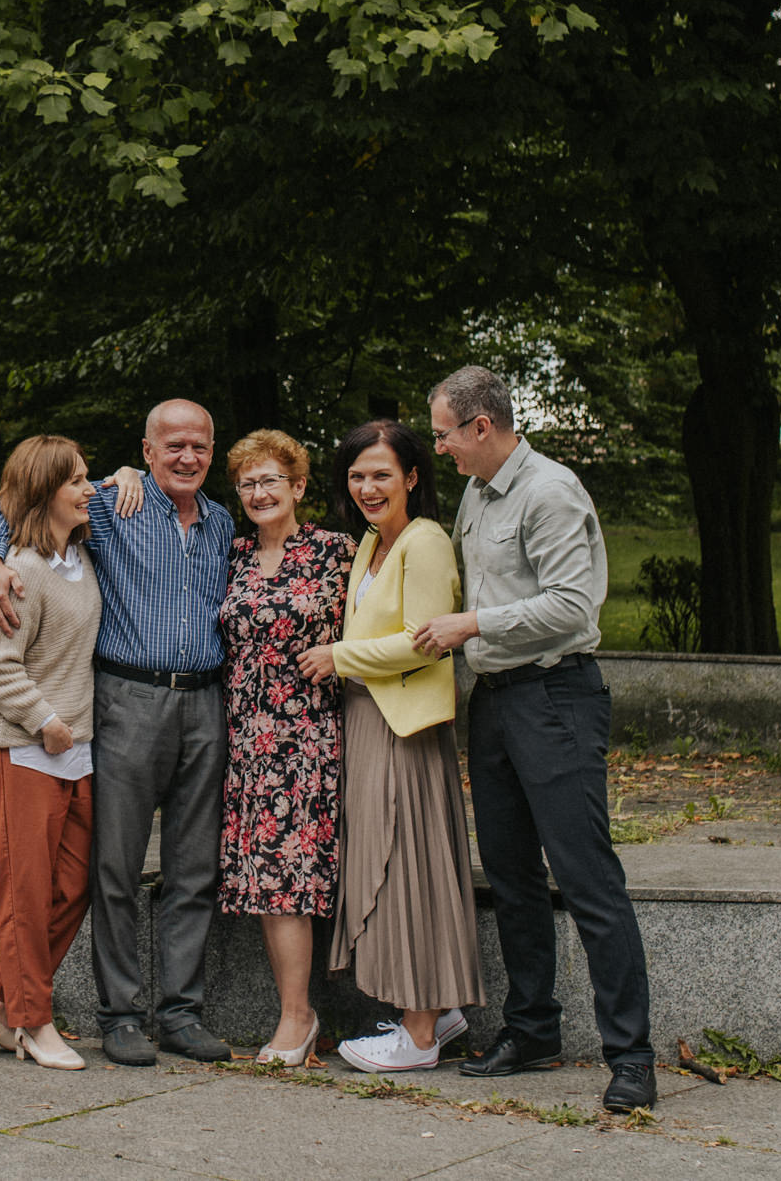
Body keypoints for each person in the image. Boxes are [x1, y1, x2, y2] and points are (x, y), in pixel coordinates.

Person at [413, 366, 657, 1112]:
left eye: (444, 433)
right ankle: (532, 1029)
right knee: (512, 874)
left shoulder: (549, 490)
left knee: (586, 876)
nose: (440, 446)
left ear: (481, 427)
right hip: (494, 702)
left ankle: (632, 1057)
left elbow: (572, 605)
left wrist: (473, 626)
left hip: (555, 696)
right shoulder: (477, 489)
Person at [0, 399, 234, 1066]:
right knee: (113, 867)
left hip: (206, 702)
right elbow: (17, 500)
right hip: (126, 700)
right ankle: (119, 1014)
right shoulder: (112, 507)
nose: (187, 456)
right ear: (146, 451)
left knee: (193, 866)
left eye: (199, 446)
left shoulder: (222, 523)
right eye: (172, 444)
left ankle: (180, 1011)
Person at [111, 429, 354, 1066]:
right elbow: (23, 507)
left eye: (271, 480)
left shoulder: (336, 552)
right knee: (251, 879)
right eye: (247, 482)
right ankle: (134, 1016)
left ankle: (292, 1019)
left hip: (303, 739)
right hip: (241, 738)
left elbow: (384, 626)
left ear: (299, 486)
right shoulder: (234, 549)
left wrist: (344, 657)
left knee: (283, 879)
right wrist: (122, 474)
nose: (257, 492)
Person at [299, 419, 482, 1073]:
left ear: (411, 476)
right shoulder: (373, 542)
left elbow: (428, 636)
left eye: (381, 473)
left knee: (409, 866)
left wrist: (338, 655)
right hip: (370, 720)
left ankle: (420, 1034)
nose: (368, 486)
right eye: (357, 475)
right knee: (389, 857)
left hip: (405, 727)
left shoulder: (425, 540)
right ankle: (439, 1010)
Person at [0, 435, 102, 1070]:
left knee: (73, 885)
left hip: (73, 750)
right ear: (46, 494)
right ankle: (30, 1024)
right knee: (25, 893)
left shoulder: (80, 558)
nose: (88, 490)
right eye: (76, 482)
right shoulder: (20, 572)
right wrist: (46, 721)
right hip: (22, 749)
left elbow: (130, 486)